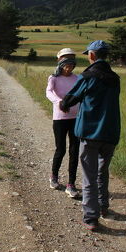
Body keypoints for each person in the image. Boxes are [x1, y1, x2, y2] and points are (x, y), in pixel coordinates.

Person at [61, 40, 120, 231]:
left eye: (88, 54)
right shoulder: (115, 78)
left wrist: (63, 104)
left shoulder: (87, 76)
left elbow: (70, 98)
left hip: (90, 132)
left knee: (89, 175)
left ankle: (91, 217)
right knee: (103, 172)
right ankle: (103, 207)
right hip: (110, 132)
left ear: (92, 55)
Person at [46, 47, 80, 198]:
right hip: (60, 118)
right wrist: (59, 102)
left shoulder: (77, 78)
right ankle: (54, 176)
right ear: (60, 64)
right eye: (66, 65)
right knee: (61, 149)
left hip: (76, 118)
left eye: (71, 65)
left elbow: (81, 94)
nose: (69, 68)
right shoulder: (53, 78)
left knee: (74, 151)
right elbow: (49, 92)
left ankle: (71, 184)